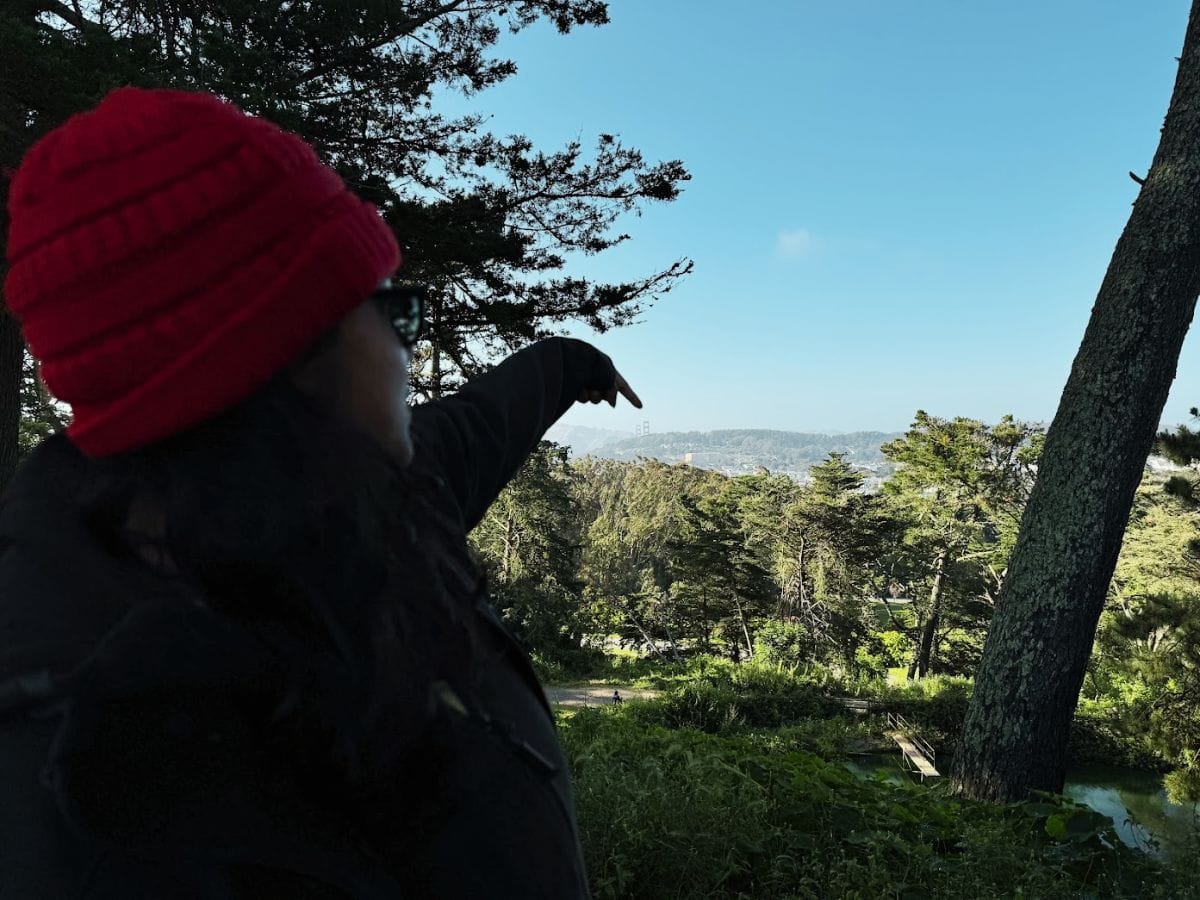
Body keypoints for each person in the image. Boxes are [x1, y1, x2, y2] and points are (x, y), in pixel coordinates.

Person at [0, 87, 641, 898]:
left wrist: (572, 363)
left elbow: (483, 422)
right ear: (298, 355)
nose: (408, 348)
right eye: (392, 311)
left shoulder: (357, 496)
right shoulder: (83, 779)